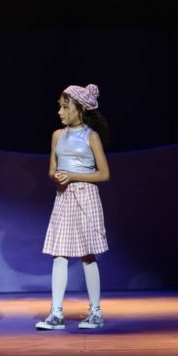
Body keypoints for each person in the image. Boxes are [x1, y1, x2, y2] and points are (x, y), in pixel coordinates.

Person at [35, 84, 110, 330]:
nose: (60, 111)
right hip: (64, 197)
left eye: (65, 107)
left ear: (80, 109)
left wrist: (73, 176)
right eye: (60, 106)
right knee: (59, 253)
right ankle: (56, 313)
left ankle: (95, 312)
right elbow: (52, 169)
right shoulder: (57, 135)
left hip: (86, 196)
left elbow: (103, 174)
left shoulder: (91, 136)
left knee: (88, 255)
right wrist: (57, 176)